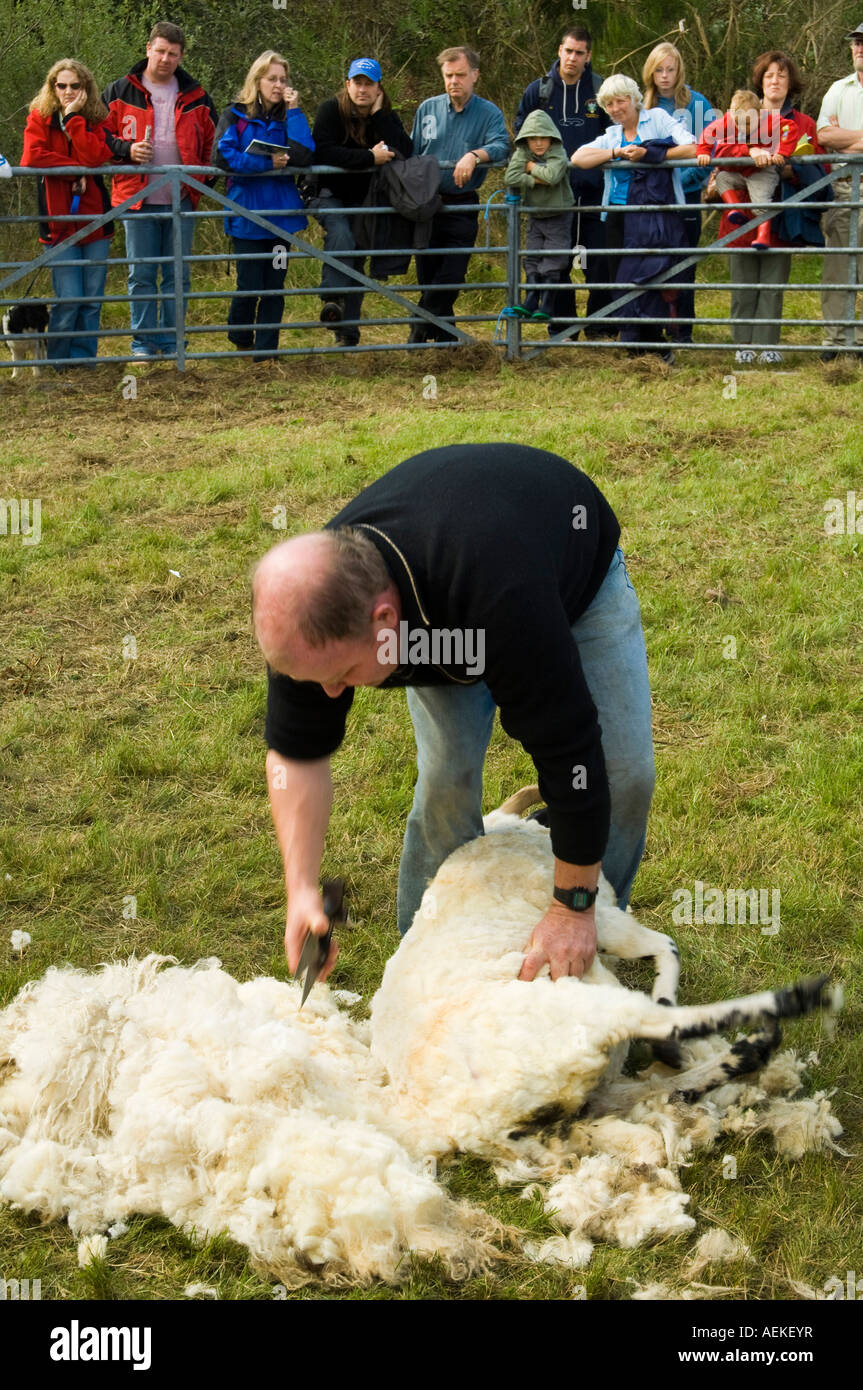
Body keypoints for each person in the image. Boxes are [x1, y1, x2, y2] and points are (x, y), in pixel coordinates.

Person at [253, 443, 655, 986]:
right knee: (446, 779)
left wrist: (573, 906)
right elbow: (297, 753)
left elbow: (571, 753)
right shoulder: (308, 615)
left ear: (385, 619)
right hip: (446, 604)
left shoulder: (502, 595)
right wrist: (301, 889)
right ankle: (423, 969)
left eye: (343, 674)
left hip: (567, 579)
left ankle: (588, 931)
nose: (329, 693)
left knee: (623, 773)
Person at [101, 21, 217, 359]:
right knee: (142, 274)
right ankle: (143, 345)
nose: (166, 58)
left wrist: (201, 183)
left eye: (173, 54)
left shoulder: (196, 95)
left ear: (181, 57)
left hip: (181, 199)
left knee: (177, 275)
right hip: (137, 199)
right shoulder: (119, 91)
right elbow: (99, 137)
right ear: (148, 49)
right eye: (161, 51)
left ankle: (173, 341)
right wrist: (126, 150)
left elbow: (212, 142)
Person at [571, 75, 696, 357]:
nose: (616, 108)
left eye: (621, 100)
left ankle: (654, 343)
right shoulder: (612, 135)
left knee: (652, 276)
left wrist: (651, 154)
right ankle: (634, 344)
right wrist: (615, 153)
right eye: (609, 104)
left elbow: (693, 147)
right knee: (622, 279)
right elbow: (578, 158)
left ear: (634, 98)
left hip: (655, 213)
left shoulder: (658, 119)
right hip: (618, 213)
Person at [721, 52, 826, 366]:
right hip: (739, 214)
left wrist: (792, 170)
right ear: (760, 81)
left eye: (781, 75)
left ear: (790, 82)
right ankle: (742, 344)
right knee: (742, 282)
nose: (775, 81)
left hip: (780, 216)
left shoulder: (804, 123)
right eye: (769, 75)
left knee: (772, 283)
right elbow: (719, 149)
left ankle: (767, 344)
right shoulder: (742, 115)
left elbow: (820, 170)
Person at [215, 51, 314, 362]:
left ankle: (266, 353)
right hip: (246, 214)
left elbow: (305, 155)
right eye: (272, 78)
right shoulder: (235, 115)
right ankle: (241, 335)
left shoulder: (289, 117)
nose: (278, 84)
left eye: (283, 79)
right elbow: (221, 158)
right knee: (249, 284)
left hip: (281, 218)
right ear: (256, 81)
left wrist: (295, 110)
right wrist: (265, 163)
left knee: (275, 284)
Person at [514, 26, 611, 338]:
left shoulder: (600, 91)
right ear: (559, 51)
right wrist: (535, 169)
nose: (572, 58)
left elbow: (619, 131)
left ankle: (600, 326)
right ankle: (563, 326)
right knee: (557, 261)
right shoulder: (538, 91)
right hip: (552, 194)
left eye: (579, 53)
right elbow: (520, 133)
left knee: (596, 260)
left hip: (594, 190)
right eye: (568, 51)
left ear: (588, 56)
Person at [409, 47, 509, 343]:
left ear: (475, 75)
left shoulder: (489, 112)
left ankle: (418, 322)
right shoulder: (427, 108)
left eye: (460, 75)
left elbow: (502, 146)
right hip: (426, 203)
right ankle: (446, 340)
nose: (454, 81)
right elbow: (414, 151)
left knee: (452, 274)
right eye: (448, 75)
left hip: (462, 204)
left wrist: (475, 155)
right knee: (429, 275)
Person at [310, 58, 412, 347]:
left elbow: (405, 150)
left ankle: (348, 332)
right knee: (340, 234)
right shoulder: (331, 110)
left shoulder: (385, 116)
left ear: (379, 88)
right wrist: (370, 158)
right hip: (328, 194)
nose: (362, 89)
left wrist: (381, 117)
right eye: (358, 82)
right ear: (348, 84)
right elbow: (324, 152)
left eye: (369, 83)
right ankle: (332, 297)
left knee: (357, 256)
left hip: (367, 198)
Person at [22, 59, 115, 369]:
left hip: (96, 221)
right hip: (57, 221)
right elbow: (31, 156)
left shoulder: (97, 118)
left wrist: (74, 118)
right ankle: (59, 362)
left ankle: (84, 363)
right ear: (52, 87)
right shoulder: (39, 117)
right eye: (61, 86)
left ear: (85, 88)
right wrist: (73, 171)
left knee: (91, 300)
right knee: (70, 298)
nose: (67, 91)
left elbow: (96, 155)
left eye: (75, 86)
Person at [642, 42, 716, 344]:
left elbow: (708, 149)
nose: (664, 76)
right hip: (650, 198)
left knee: (684, 263)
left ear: (679, 70)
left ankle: (682, 330)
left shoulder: (698, 105)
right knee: (653, 261)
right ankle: (653, 327)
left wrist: (681, 180)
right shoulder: (642, 106)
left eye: (670, 69)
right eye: (658, 70)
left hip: (686, 196)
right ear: (650, 72)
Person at [697, 91, 798, 251]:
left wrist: (782, 152)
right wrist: (703, 150)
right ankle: (734, 208)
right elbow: (709, 133)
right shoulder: (727, 122)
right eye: (738, 122)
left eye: (749, 123)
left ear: (759, 114)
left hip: (761, 171)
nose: (743, 127)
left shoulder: (770, 120)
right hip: (739, 171)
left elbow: (789, 129)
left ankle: (763, 234)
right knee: (722, 178)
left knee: (760, 202)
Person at [816, 21, 863, 360]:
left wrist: (845, 139)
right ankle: (836, 341)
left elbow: (836, 136)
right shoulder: (838, 89)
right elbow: (823, 137)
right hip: (843, 189)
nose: (859, 48)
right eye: (855, 43)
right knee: (838, 266)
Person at [504, 109, 574, 320]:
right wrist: (535, 180)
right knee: (532, 256)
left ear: (551, 137)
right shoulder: (523, 152)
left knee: (554, 258)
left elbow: (552, 176)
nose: (538, 143)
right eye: (533, 138)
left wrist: (531, 167)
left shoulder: (558, 152)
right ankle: (531, 299)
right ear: (526, 139)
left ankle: (547, 305)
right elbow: (511, 177)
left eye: (543, 137)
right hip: (536, 214)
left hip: (558, 213)